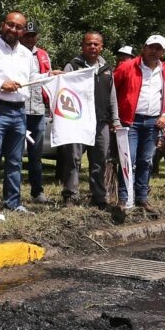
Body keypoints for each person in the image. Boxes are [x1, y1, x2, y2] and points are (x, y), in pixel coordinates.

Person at [0, 12, 37, 214]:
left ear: (23, 30)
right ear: (2, 25)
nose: (13, 29)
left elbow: (33, 77)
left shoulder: (27, 54)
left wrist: (50, 75)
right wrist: (1, 84)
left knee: (15, 160)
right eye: (10, 25)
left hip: (19, 112)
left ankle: (13, 202)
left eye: (18, 27)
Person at [54, 32, 120, 208]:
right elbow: (63, 93)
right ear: (82, 46)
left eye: (96, 44)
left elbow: (112, 96)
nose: (93, 47)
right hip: (78, 122)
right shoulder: (72, 66)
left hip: (101, 122)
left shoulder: (107, 69)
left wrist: (115, 119)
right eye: (89, 44)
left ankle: (99, 196)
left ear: (101, 47)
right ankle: (70, 195)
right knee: (73, 159)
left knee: (100, 160)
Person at [113, 35, 165, 216]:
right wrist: (114, 118)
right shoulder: (127, 67)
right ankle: (123, 199)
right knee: (127, 160)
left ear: (163, 52)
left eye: (158, 48)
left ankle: (141, 197)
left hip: (153, 122)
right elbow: (112, 91)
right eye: (151, 47)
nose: (154, 51)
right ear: (144, 48)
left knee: (146, 161)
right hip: (130, 121)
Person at [20, 20, 52, 204]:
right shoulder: (16, 54)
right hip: (20, 109)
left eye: (32, 35)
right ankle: (13, 192)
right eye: (27, 35)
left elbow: (48, 82)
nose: (29, 38)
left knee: (36, 155)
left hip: (38, 110)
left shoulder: (43, 55)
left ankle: (37, 191)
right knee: (14, 153)